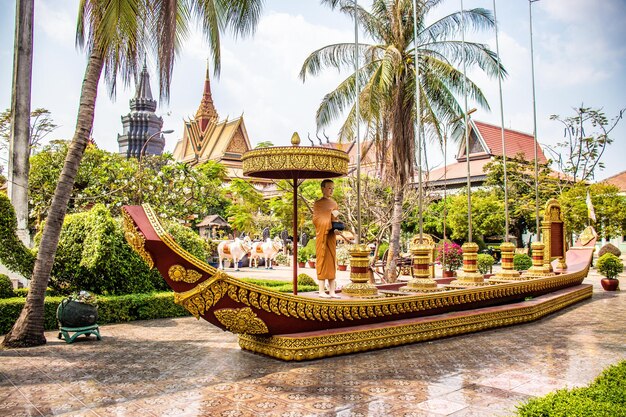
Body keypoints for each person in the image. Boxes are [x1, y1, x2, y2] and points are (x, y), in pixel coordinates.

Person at [312, 179, 341, 298]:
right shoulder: (317, 204)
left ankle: (332, 291)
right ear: (323, 189)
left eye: (333, 188)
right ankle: (321, 291)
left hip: (331, 236)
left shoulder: (334, 204)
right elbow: (316, 220)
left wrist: (337, 227)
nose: (331, 190)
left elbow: (336, 218)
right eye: (329, 188)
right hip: (322, 235)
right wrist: (328, 224)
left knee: (332, 260)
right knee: (322, 260)